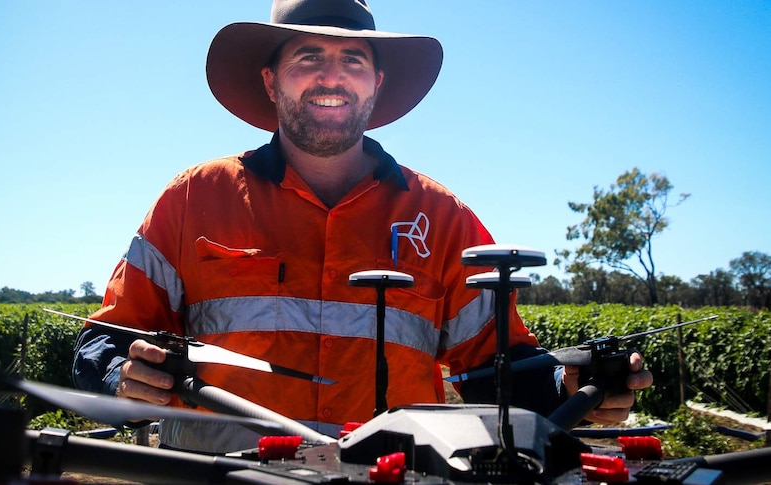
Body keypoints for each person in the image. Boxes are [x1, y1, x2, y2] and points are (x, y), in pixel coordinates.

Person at [73, 0, 653, 454]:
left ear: (376, 84)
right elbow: (104, 342)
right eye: (308, 58)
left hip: (392, 479)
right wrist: (120, 374)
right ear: (273, 81)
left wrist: (574, 388)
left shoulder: (443, 218)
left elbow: (492, 370)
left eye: (353, 59)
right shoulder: (193, 198)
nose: (332, 77)